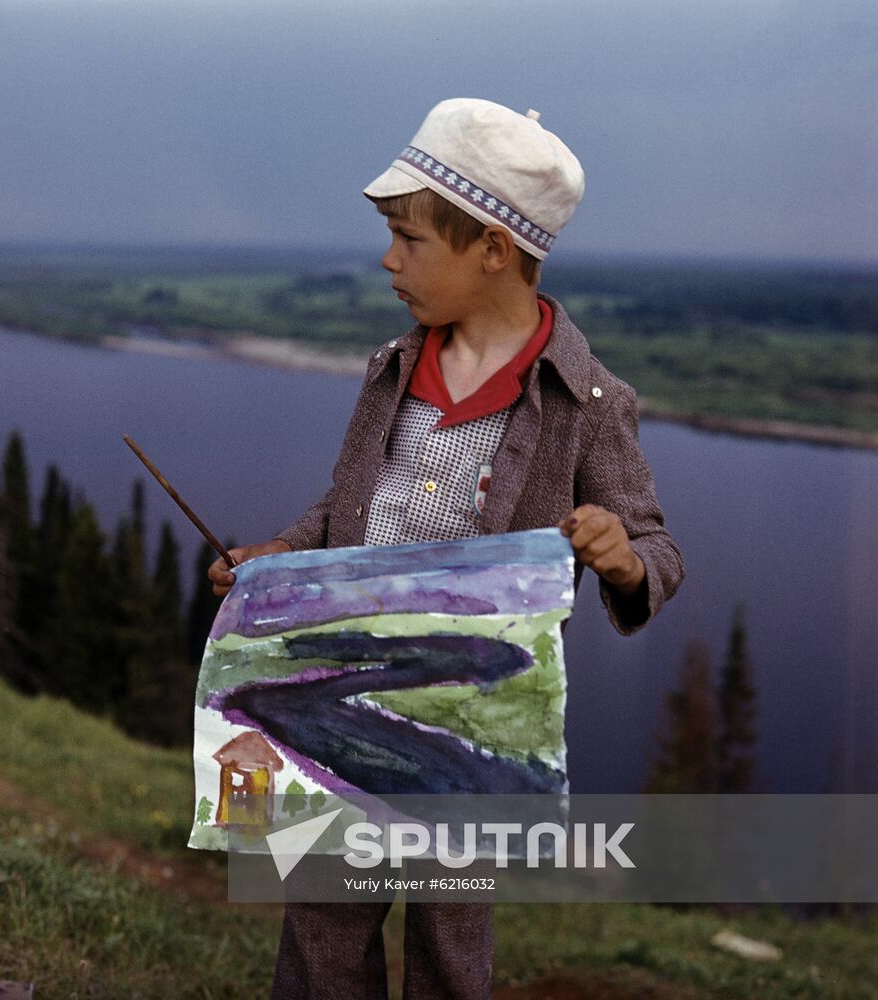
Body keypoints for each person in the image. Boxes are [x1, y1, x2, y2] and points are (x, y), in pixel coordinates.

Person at [209, 98, 684, 1000]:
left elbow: (656, 545)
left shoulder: (587, 403)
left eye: (409, 239)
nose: (389, 258)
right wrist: (280, 552)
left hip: (469, 720)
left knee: (448, 935)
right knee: (322, 919)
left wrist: (621, 557)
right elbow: (355, 501)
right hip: (341, 691)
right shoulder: (393, 366)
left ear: (492, 250)